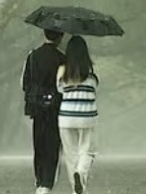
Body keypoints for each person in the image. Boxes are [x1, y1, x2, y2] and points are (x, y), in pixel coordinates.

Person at [22, 28, 64, 193]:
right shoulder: (63, 58)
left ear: (44, 34)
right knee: (53, 144)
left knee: (39, 144)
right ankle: (48, 182)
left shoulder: (32, 56)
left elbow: (25, 84)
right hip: (55, 108)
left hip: (37, 108)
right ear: (60, 37)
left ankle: (39, 182)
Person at [56, 35, 98, 194]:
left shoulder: (62, 71)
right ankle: (80, 174)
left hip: (66, 117)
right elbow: (95, 88)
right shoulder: (92, 72)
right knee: (88, 151)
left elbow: (59, 90)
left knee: (71, 154)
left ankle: (76, 188)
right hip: (87, 118)